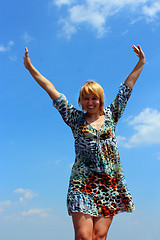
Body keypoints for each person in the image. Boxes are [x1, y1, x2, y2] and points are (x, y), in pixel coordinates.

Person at [23, 45, 145, 240]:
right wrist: (30, 68)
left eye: (94, 98)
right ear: (81, 101)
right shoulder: (74, 118)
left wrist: (141, 62)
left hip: (109, 182)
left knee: (99, 236)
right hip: (82, 183)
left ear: (100, 100)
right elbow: (51, 89)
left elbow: (127, 88)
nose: (90, 102)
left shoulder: (112, 115)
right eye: (86, 98)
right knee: (83, 236)